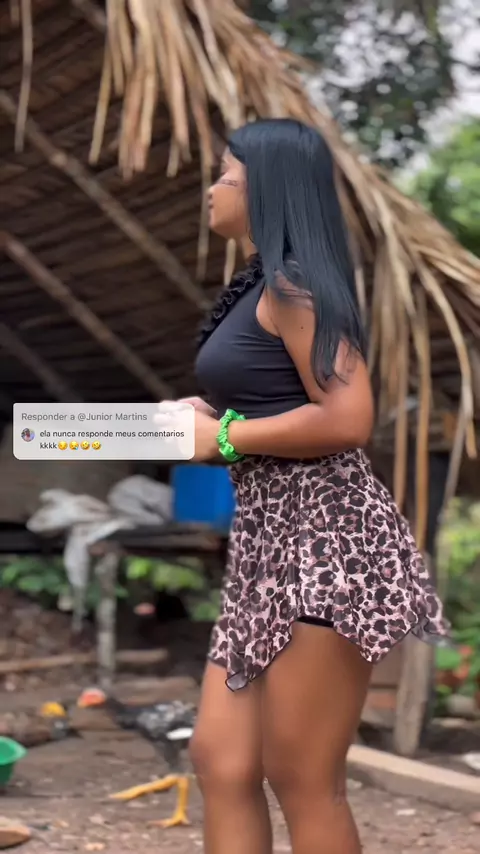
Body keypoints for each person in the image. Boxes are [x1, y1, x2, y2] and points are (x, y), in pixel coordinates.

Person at [168, 119, 449, 854]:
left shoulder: (295, 287)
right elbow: (274, 401)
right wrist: (212, 418)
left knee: (301, 774)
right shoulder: (258, 285)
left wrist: (224, 439)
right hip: (269, 547)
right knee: (222, 760)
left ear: (265, 189)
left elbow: (347, 417)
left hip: (327, 543)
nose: (212, 189)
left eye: (226, 174)